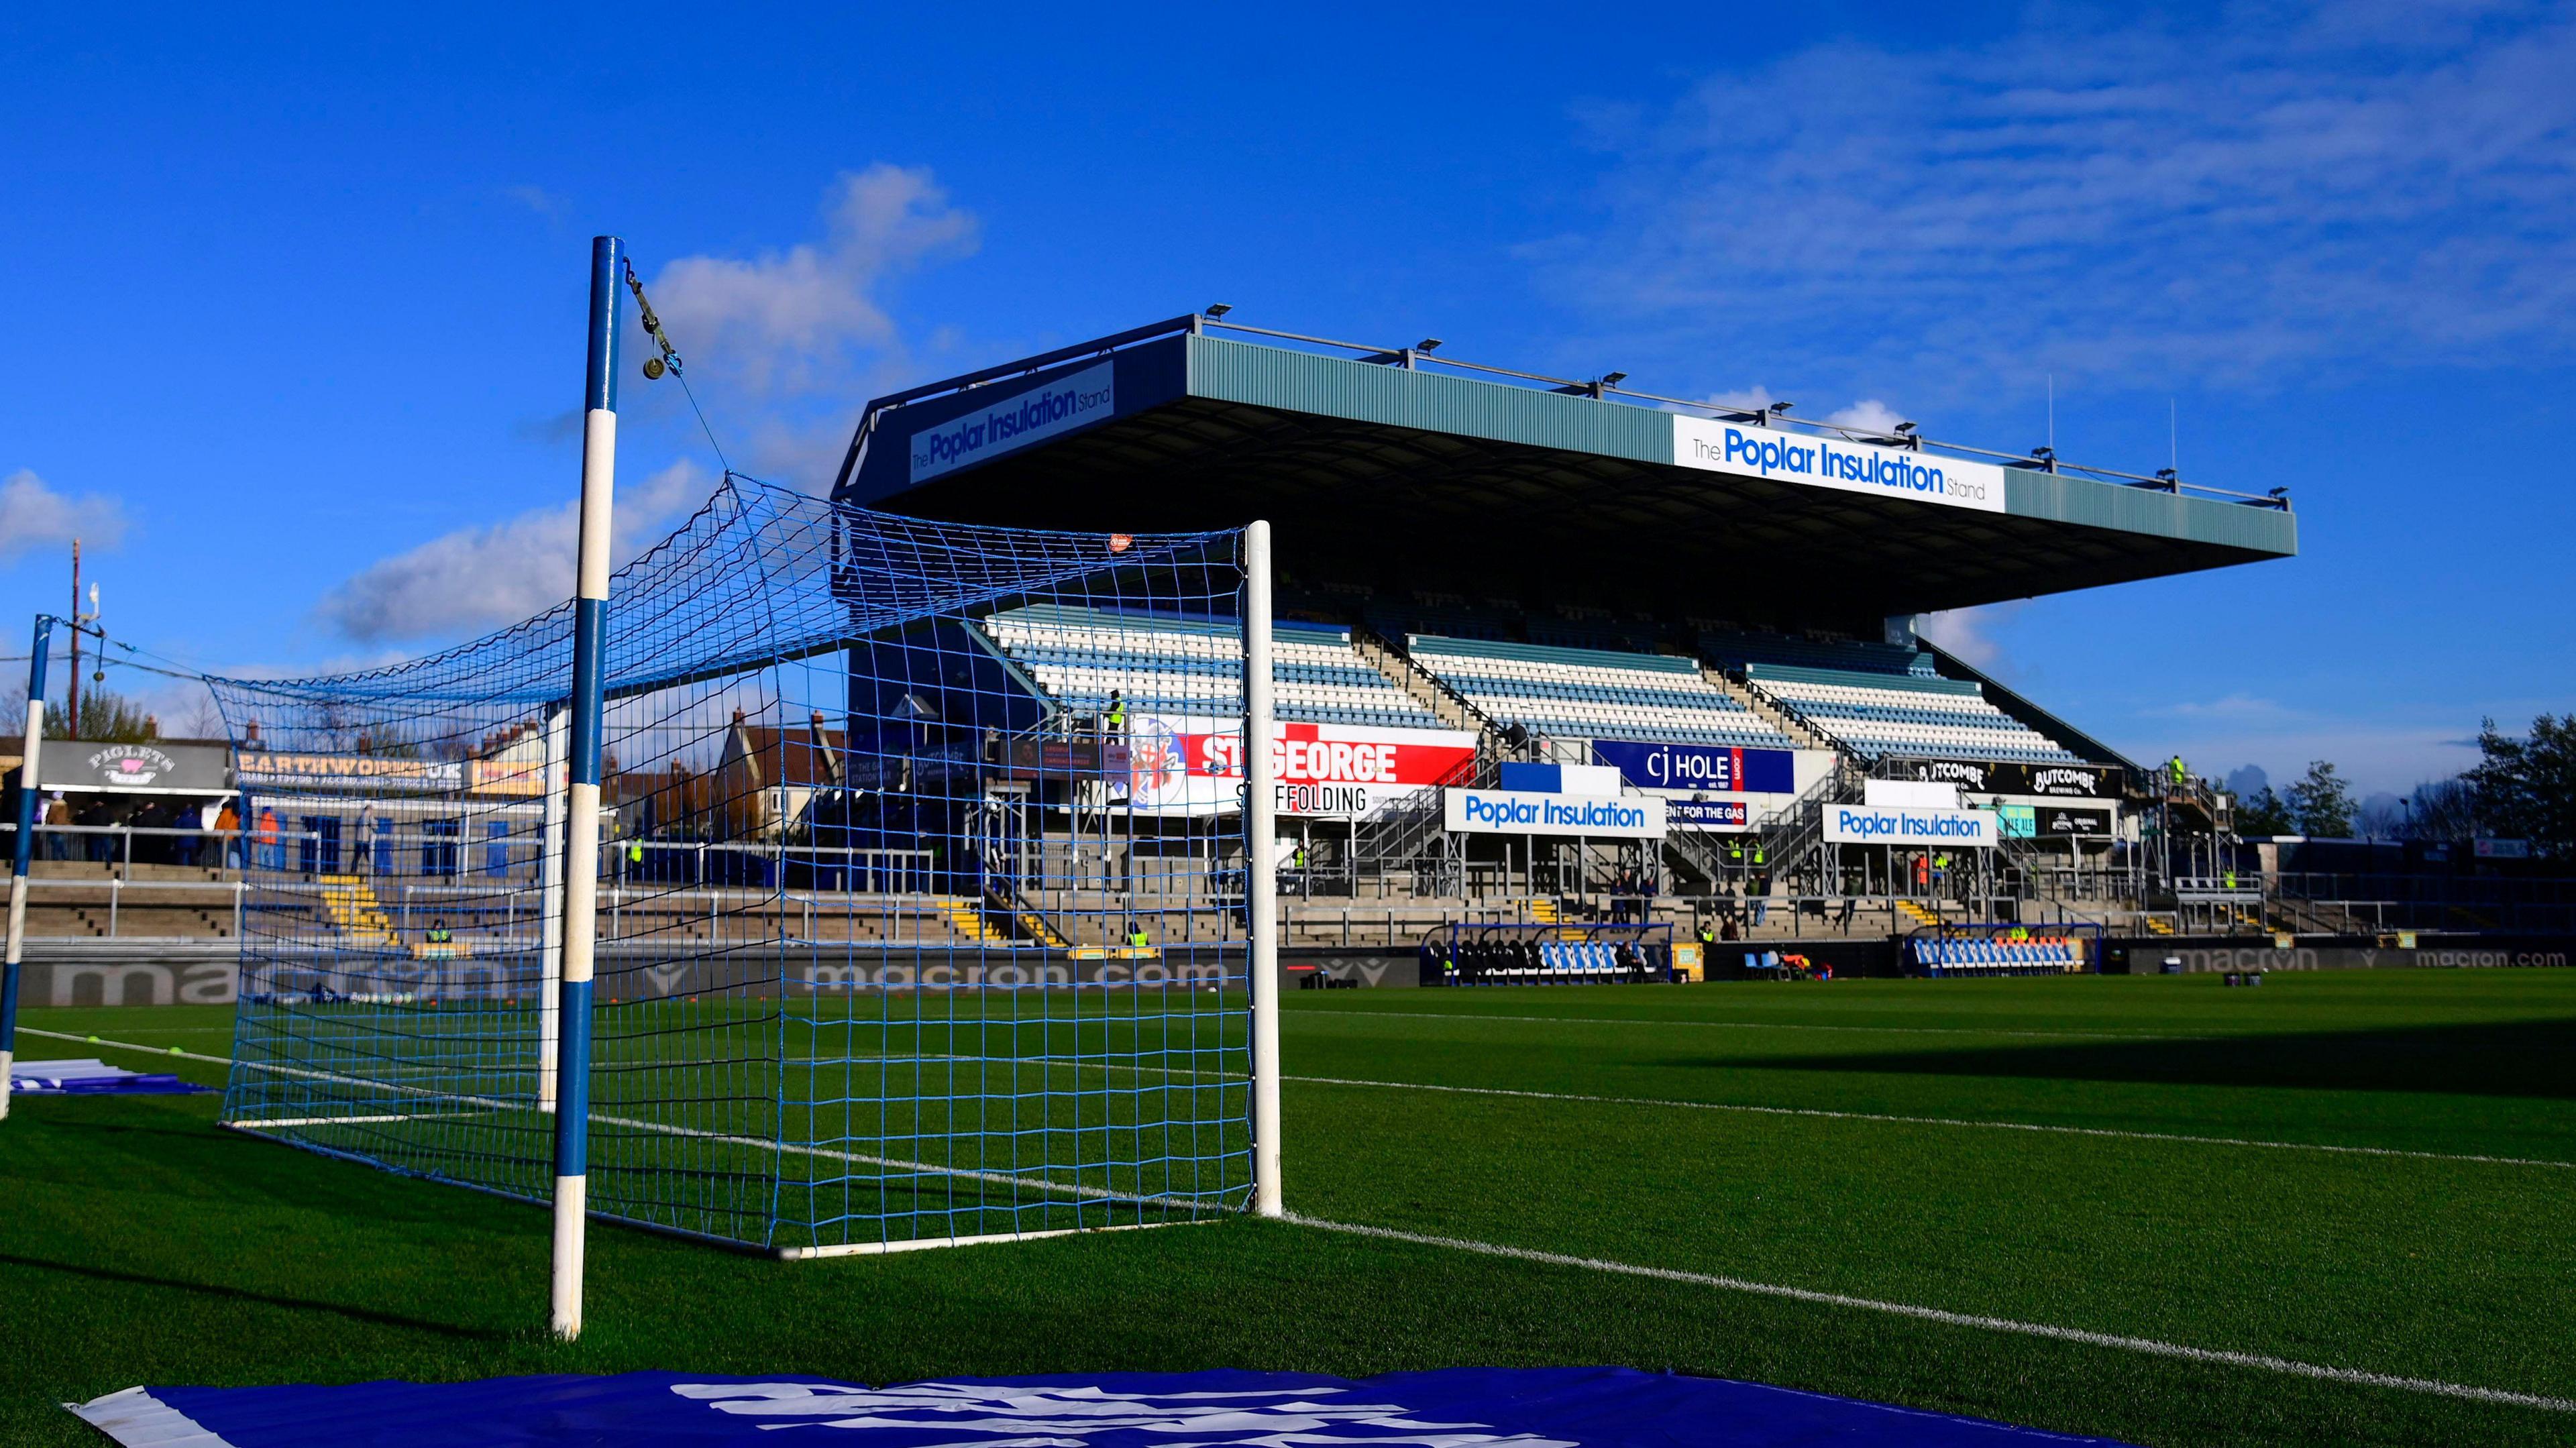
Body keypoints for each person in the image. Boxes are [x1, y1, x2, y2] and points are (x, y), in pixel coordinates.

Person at [42, 793, 72, 860]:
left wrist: (47, 825)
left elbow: (50, 816)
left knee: (56, 847)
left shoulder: (54, 805)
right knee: (60, 845)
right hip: (61, 829)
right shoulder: (65, 806)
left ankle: (57, 860)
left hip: (54, 828)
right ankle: (66, 859)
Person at [213, 799, 241, 869]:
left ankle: (225, 871)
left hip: (222, 839)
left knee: (224, 858)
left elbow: (217, 828)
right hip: (231, 838)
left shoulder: (222, 815)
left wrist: (216, 838)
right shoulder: (235, 816)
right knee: (230, 857)